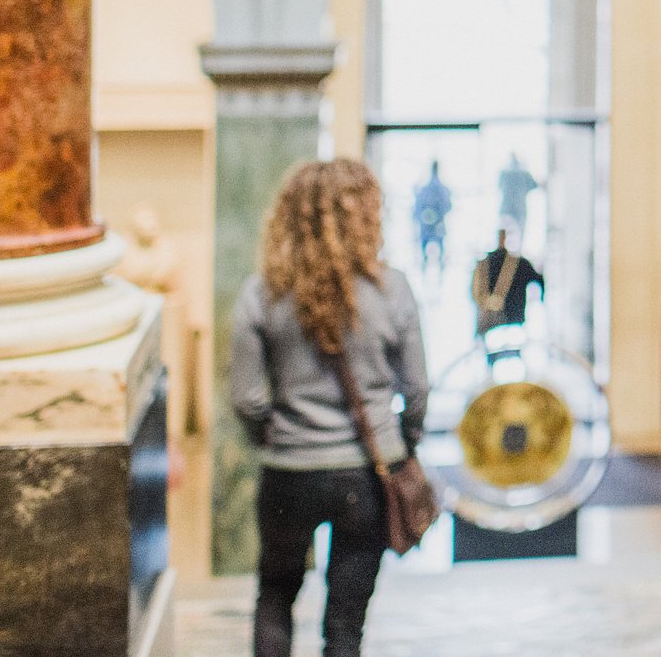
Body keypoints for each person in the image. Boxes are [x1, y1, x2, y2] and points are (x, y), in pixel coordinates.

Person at [228, 158, 430, 657]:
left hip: (288, 473)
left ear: (289, 218)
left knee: (275, 595)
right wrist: (402, 441)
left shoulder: (261, 293)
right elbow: (419, 388)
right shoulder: (393, 289)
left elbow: (248, 398)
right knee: (344, 626)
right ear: (367, 216)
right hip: (366, 472)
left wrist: (274, 438)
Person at [471, 227, 546, 338]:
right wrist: (542, 299)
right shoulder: (521, 263)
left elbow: (473, 292)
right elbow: (539, 280)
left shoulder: (483, 264)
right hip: (514, 320)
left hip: (489, 323)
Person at [411, 160, 452, 274]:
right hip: (431, 225)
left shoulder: (428, 189)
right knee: (431, 250)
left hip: (434, 224)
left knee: (436, 251)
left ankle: (436, 271)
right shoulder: (438, 189)